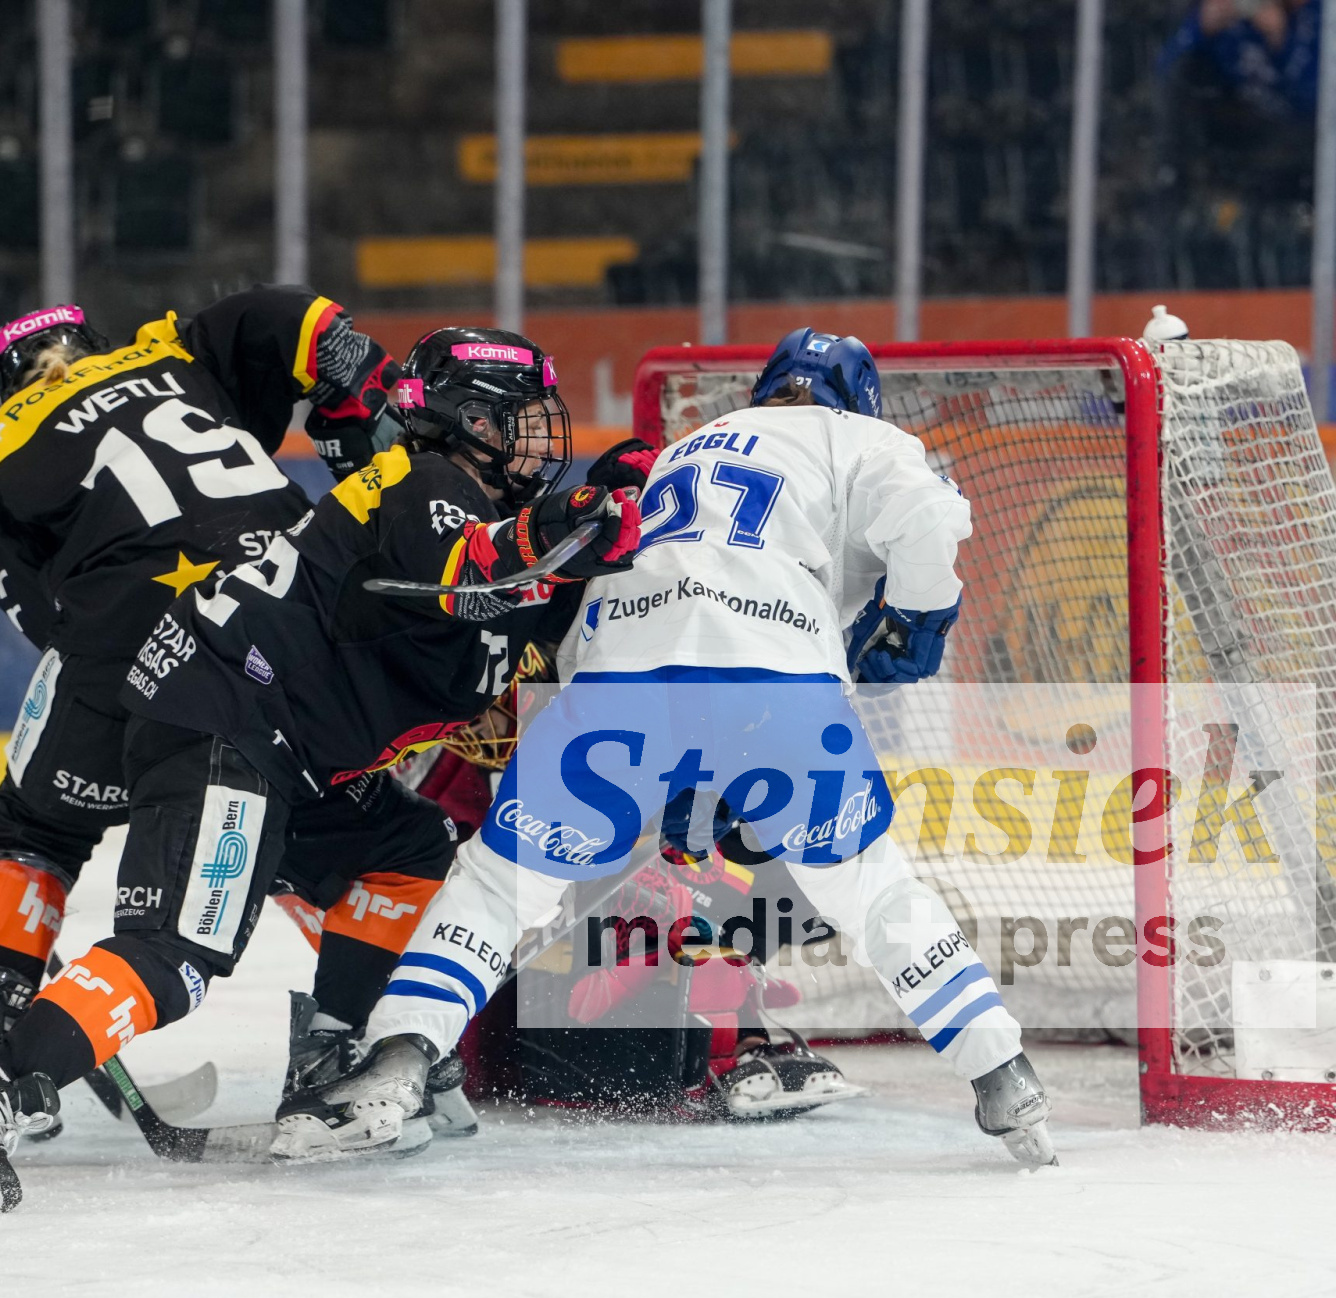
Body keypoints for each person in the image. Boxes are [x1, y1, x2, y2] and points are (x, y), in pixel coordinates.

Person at [0, 326, 640, 1213]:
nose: (541, 437)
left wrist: (613, 503)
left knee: (408, 846)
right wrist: (568, 524)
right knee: (177, 954)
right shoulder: (426, 482)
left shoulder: (465, 505)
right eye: (523, 419)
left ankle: (330, 1060)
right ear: (470, 422)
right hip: (229, 718)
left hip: (278, 737)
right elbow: (470, 567)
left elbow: (526, 595)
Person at [294, 327, 1058, 1169]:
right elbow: (929, 515)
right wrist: (919, 618)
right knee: (872, 889)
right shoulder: (858, 437)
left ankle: (400, 1054)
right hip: (776, 682)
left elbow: (592, 607)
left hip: (616, 680)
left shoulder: (677, 454)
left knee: (498, 883)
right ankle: (1001, 1071)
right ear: (859, 403)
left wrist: (656, 744)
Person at [0, 289, 457, 1105]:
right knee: (394, 847)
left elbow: (40, 612)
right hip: (286, 630)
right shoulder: (168, 353)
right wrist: (348, 370)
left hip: (133, 653)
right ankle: (349, 1039)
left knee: (30, 830)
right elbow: (286, 318)